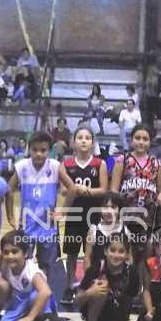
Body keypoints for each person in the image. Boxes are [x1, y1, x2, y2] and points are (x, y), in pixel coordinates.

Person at [6, 131, 75, 271]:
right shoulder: (22, 166)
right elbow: (8, 190)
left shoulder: (55, 166)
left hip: (48, 226)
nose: (38, 154)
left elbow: (72, 188)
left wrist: (62, 213)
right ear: (29, 149)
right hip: (27, 226)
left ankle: (45, 283)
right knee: (24, 264)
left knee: (47, 265)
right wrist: (10, 216)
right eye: (35, 150)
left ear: (49, 151)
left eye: (43, 150)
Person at [61, 127, 108, 304]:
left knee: (93, 253)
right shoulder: (66, 164)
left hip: (93, 215)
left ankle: (89, 284)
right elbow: (63, 191)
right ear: (73, 142)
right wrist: (74, 190)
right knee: (72, 253)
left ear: (93, 143)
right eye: (80, 137)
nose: (83, 140)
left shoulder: (99, 164)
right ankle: (69, 286)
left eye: (87, 138)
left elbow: (103, 190)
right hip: (74, 214)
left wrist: (84, 190)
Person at [0, 229, 66, 321]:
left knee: (37, 295)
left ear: (25, 254)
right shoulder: (5, 265)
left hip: (36, 300)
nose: (10, 256)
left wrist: (30, 318)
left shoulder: (31, 270)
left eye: (14, 252)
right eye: (6, 252)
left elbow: (46, 292)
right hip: (18, 303)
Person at [109, 124, 161, 261]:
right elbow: (114, 190)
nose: (141, 142)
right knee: (125, 251)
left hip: (148, 216)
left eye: (145, 139)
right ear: (131, 140)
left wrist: (160, 199)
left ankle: (142, 275)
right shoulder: (122, 160)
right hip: (126, 215)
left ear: (150, 142)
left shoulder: (156, 163)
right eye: (138, 138)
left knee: (146, 253)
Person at [75, 232, 139, 321]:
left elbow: (131, 297)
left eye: (121, 251)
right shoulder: (96, 268)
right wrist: (90, 292)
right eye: (112, 250)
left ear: (126, 254)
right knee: (101, 288)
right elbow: (77, 301)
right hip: (95, 316)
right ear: (105, 251)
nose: (116, 255)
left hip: (117, 320)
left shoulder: (132, 272)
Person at [83, 192, 131, 271]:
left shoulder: (125, 231)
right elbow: (87, 257)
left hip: (119, 276)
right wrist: (89, 276)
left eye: (113, 207)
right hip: (98, 276)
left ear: (119, 209)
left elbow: (129, 258)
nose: (109, 211)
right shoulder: (93, 231)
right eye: (105, 207)